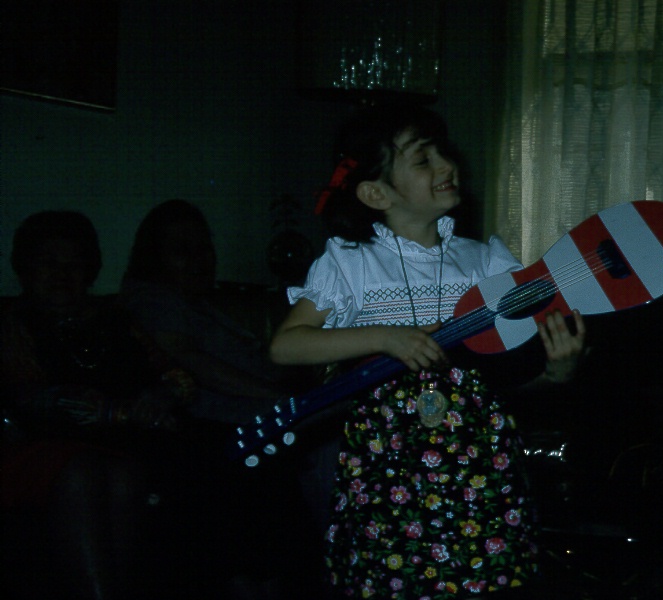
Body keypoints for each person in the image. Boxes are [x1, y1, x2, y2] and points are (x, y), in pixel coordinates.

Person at [268, 104, 586, 599]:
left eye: (443, 151)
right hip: (387, 479)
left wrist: (558, 372)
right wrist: (386, 337)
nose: (446, 164)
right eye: (423, 159)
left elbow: (510, 378)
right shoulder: (350, 264)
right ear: (376, 193)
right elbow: (286, 346)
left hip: (481, 474)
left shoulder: (485, 262)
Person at [1, 210, 189, 599]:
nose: (62, 273)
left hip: (121, 444)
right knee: (83, 471)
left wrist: (160, 397)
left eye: (74, 263)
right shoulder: (13, 324)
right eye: (49, 262)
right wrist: (110, 411)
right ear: (25, 268)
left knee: (125, 474)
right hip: (41, 447)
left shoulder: (117, 319)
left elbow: (176, 378)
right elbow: (26, 396)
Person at [120, 199, 306, 425]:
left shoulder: (195, 301)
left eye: (204, 248)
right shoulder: (153, 300)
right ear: (154, 258)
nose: (198, 260)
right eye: (182, 251)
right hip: (242, 419)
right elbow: (189, 360)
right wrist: (278, 395)